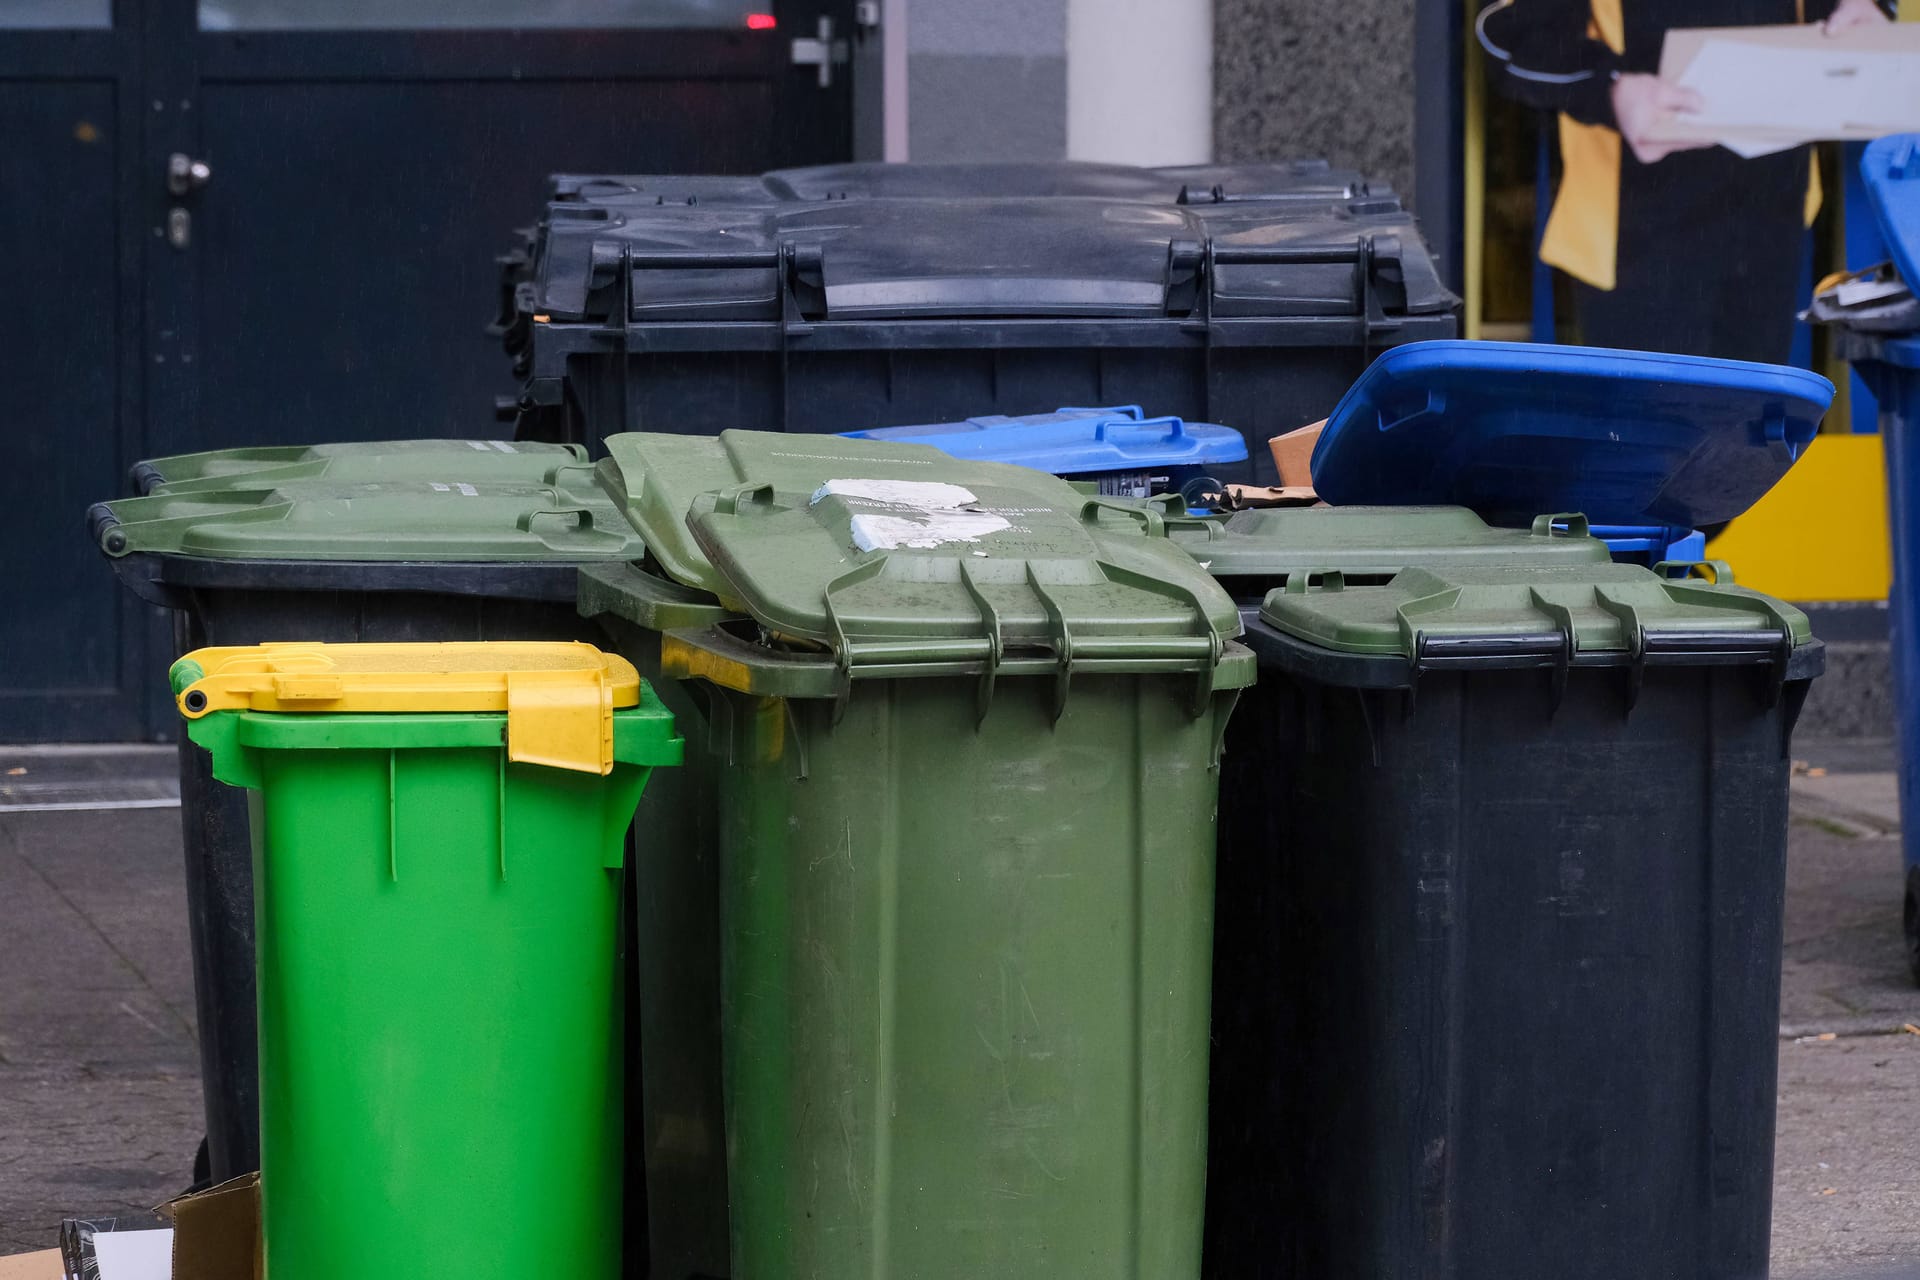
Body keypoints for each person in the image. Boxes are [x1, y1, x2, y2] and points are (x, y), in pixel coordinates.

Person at [1477, 0, 1893, 365]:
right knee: (1649, 438)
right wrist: (1611, 90)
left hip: (1774, 213)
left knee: (1753, 437)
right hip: (1635, 229)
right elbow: (1507, 33)